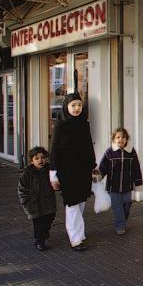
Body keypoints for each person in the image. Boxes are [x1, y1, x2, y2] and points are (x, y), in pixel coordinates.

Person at [49, 92, 96, 251]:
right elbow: (54, 149)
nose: (76, 108)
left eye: (79, 105)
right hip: (67, 170)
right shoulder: (60, 125)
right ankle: (75, 239)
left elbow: (89, 145)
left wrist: (93, 166)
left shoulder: (84, 123)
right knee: (72, 203)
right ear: (66, 107)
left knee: (81, 201)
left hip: (82, 169)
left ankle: (79, 233)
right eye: (73, 105)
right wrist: (53, 173)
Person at [99, 128, 143, 235]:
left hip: (127, 186)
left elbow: (136, 168)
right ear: (113, 139)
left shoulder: (131, 152)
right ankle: (120, 226)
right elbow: (103, 167)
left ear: (126, 139)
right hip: (113, 187)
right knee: (117, 207)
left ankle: (122, 220)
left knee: (126, 205)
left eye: (123, 137)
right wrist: (97, 176)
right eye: (118, 137)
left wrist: (138, 183)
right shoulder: (109, 153)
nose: (121, 139)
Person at [18, 146, 57, 251]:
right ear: (32, 161)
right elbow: (22, 189)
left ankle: (44, 234)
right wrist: (27, 202)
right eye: (37, 158)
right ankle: (39, 241)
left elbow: (56, 183)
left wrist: (57, 186)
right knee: (38, 223)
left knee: (49, 219)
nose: (41, 160)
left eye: (43, 157)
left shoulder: (50, 171)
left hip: (48, 201)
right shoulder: (27, 174)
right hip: (34, 203)